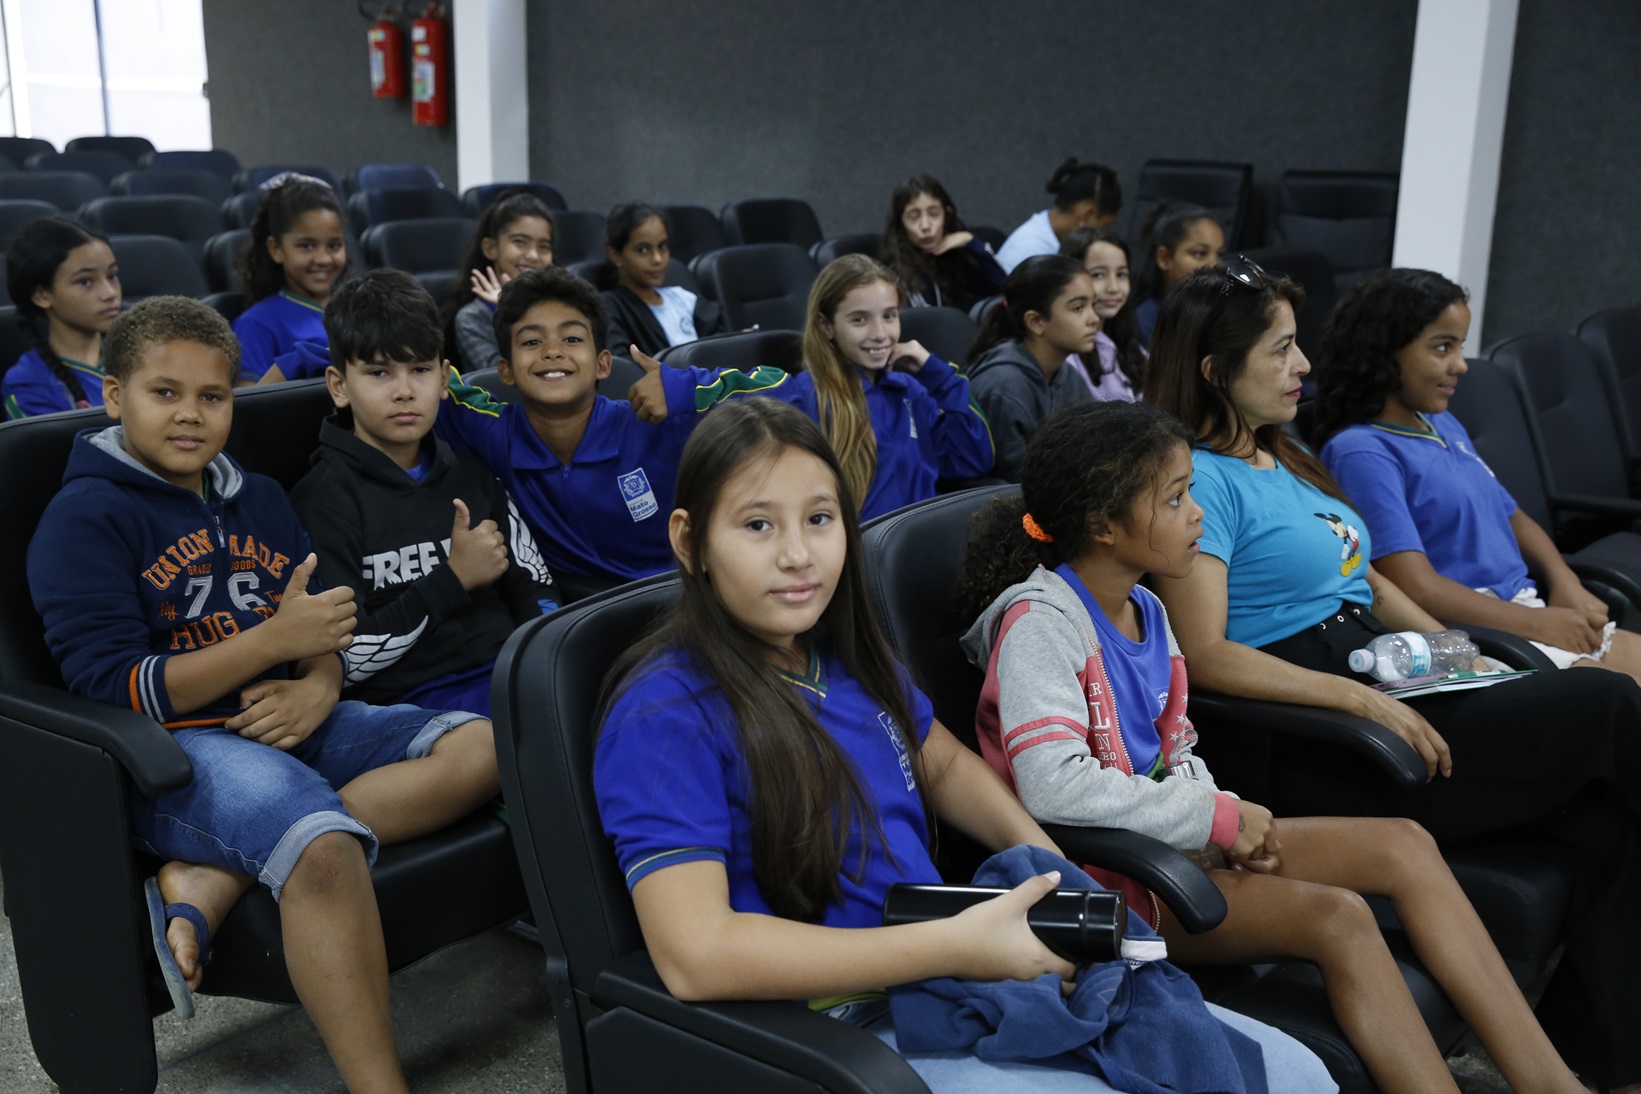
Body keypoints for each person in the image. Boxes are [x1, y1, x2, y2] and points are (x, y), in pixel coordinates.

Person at [593, 396, 1335, 1094]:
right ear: (690, 541)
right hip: (837, 1024)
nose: (797, 555)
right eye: (758, 526)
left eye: (819, 519)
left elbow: (940, 758)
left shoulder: (840, 652)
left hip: (949, 966)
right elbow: (695, 956)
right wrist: (958, 947)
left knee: (1296, 1074)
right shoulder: (663, 712)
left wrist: (1046, 871)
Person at [955, 401, 1587, 1094]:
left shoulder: (1147, 607)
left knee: (1403, 844)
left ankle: (1551, 1083)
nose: (1195, 512)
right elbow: (1053, 787)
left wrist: (1214, 812)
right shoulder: (1039, 625)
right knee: (1337, 916)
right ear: (1104, 526)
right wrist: (1217, 820)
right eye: (1174, 498)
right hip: (1104, 883)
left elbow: (1176, 744)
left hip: (1170, 846)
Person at [1142, 258, 1641, 1094]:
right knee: (1610, 702)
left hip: (1389, 673)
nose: (1303, 367)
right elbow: (1206, 654)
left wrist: (1473, 658)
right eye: (1281, 350)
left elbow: (1368, 582)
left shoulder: (1285, 454)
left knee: (1606, 829)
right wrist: (1357, 697)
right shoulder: (1198, 478)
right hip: (1316, 729)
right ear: (1214, 370)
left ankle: (1596, 1074)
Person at [27, 295, 501, 1093]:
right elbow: (115, 686)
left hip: (290, 718)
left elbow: (324, 626)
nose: (191, 415)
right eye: (164, 393)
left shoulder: (259, 498)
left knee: (484, 747)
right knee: (321, 847)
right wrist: (271, 645)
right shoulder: (83, 517)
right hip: (175, 754)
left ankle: (220, 875)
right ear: (114, 397)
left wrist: (316, 687)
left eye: (212, 397)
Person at [1314, 267, 1641, 684]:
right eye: (1442, 348)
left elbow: (1511, 513)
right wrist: (1537, 624)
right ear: (1382, 352)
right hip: (1477, 635)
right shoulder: (1362, 451)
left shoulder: (1439, 422)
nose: (1461, 365)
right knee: (1618, 702)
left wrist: (1566, 582)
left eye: (1460, 346)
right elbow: (1418, 589)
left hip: (1525, 611)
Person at [290, 269, 560, 717]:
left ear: (442, 378)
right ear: (339, 386)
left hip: (510, 677)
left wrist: (546, 666)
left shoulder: (473, 471)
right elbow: (345, 658)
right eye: (379, 372)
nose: (403, 391)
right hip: (411, 707)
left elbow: (536, 587)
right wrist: (451, 579)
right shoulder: (321, 501)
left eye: (419, 370)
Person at [437, 266, 790, 598]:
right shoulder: (493, 431)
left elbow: (791, 393)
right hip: (582, 624)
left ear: (603, 364)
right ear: (506, 371)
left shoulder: (657, 423)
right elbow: (422, 374)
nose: (553, 352)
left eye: (572, 338)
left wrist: (685, 388)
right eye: (531, 343)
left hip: (685, 601)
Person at [675, 254, 992, 520]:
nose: (880, 333)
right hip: (862, 565)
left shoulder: (911, 390)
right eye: (859, 320)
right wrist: (672, 385)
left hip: (921, 551)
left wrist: (937, 372)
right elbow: (731, 387)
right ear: (826, 326)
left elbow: (972, 457)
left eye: (890, 316)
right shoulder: (806, 396)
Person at [966, 255, 1097, 480]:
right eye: (1078, 308)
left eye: (1093, 305)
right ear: (1036, 322)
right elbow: (1014, 483)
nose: (1094, 318)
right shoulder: (1004, 386)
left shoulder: (1070, 377)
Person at [233, 175, 350, 384]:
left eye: (334, 246)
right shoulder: (256, 324)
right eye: (306, 246)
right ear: (276, 249)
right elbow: (248, 407)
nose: (323, 259)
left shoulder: (357, 310)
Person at [3, 216, 120, 418]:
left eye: (112, 276)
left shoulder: (144, 354)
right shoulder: (28, 383)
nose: (110, 293)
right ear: (41, 295)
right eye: (85, 282)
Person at [443, 189, 557, 374]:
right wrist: (511, 311)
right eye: (520, 242)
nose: (533, 255)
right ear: (490, 248)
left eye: (544, 247)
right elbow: (505, 378)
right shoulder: (472, 317)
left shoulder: (559, 305)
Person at [599, 203, 725, 357]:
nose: (657, 259)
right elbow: (622, 366)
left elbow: (720, 345)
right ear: (615, 255)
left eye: (662, 246)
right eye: (643, 250)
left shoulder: (682, 298)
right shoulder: (609, 306)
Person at [878, 174, 1005, 312]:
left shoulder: (958, 255)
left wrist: (971, 242)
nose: (925, 226)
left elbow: (1006, 291)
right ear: (901, 223)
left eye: (934, 214)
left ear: (947, 214)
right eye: (914, 217)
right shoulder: (896, 272)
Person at [1060, 227, 1145, 401]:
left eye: (1121, 274)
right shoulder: (1066, 355)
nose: (1113, 288)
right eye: (1098, 275)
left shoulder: (1129, 345)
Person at [997, 159, 1120, 274]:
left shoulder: (1048, 234)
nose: (1103, 235)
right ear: (1088, 214)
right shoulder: (1032, 254)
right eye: (1104, 226)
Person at [1130, 202, 1223, 346]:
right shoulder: (1144, 322)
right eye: (1200, 253)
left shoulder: (1219, 310)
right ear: (1164, 258)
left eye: (1219, 254)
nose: (1215, 264)